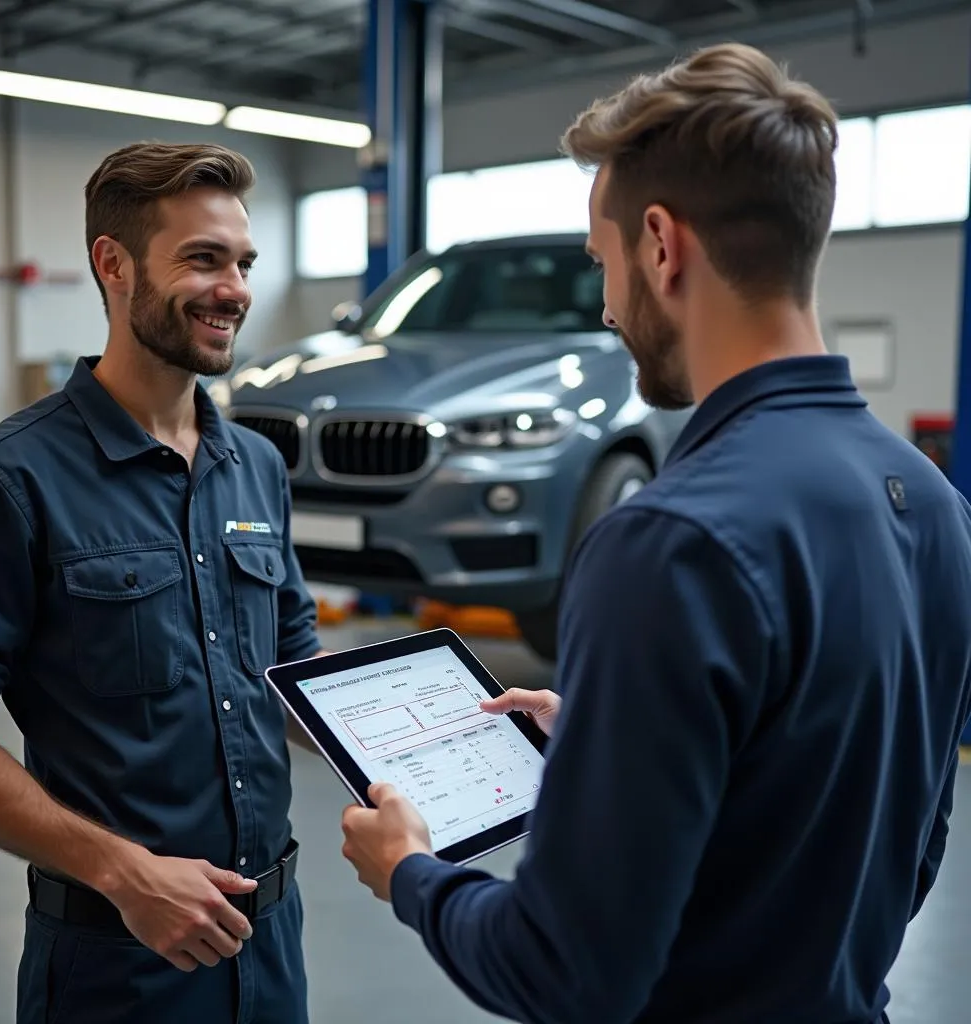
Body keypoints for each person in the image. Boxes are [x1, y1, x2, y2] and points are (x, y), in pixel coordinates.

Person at [340, 42, 971, 1024]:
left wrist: (411, 871)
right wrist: (619, 729)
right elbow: (899, 832)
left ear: (661, 246)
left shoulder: (668, 543)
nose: (604, 302)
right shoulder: (930, 503)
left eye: (601, 261)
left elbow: (563, 973)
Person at [0, 142, 327, 1023]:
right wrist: (122, 870)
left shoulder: (257, 467)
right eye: (202, 259)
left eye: (242, 263)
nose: (234, 288)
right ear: (112, 265)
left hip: (272, 953)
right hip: (117, 966)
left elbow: (295, 673)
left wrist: (457, 732)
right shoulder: (7, 479)